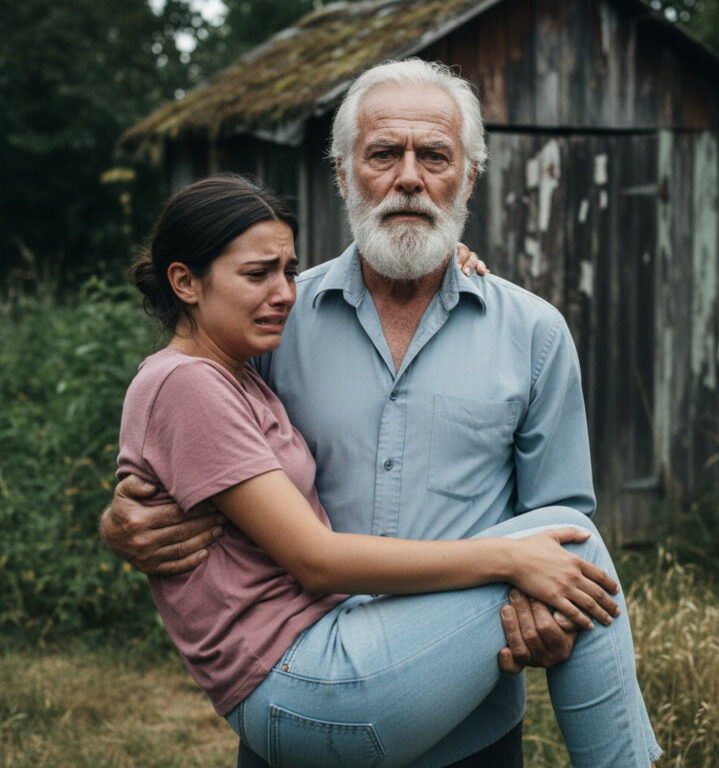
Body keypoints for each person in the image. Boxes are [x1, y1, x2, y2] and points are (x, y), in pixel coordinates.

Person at [103, 59, 661, 767]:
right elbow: (187, 429)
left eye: (434, 157)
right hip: (316, 693)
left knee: (571, 541)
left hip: (471, 729)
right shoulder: (275, 318)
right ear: (343, 173)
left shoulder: (534, 333)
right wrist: (124, 516)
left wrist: (546, 615)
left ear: (467, 178)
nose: (408, 178)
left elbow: (556, 536)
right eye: (383, 155)